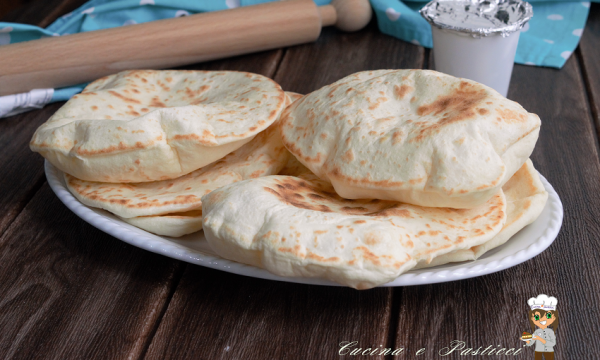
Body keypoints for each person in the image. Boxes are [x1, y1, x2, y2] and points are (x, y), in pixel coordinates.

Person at [523, 294, 558, 360]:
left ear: (553, 318)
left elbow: (553, 343)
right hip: (538, 351)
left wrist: (540, 339)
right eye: (537, 317)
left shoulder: (550, 332)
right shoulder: (536, 332)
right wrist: (527, 340)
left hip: (549, 351)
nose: (542, 319)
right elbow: (531, 342)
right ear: (533, 319)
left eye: (548, 316)